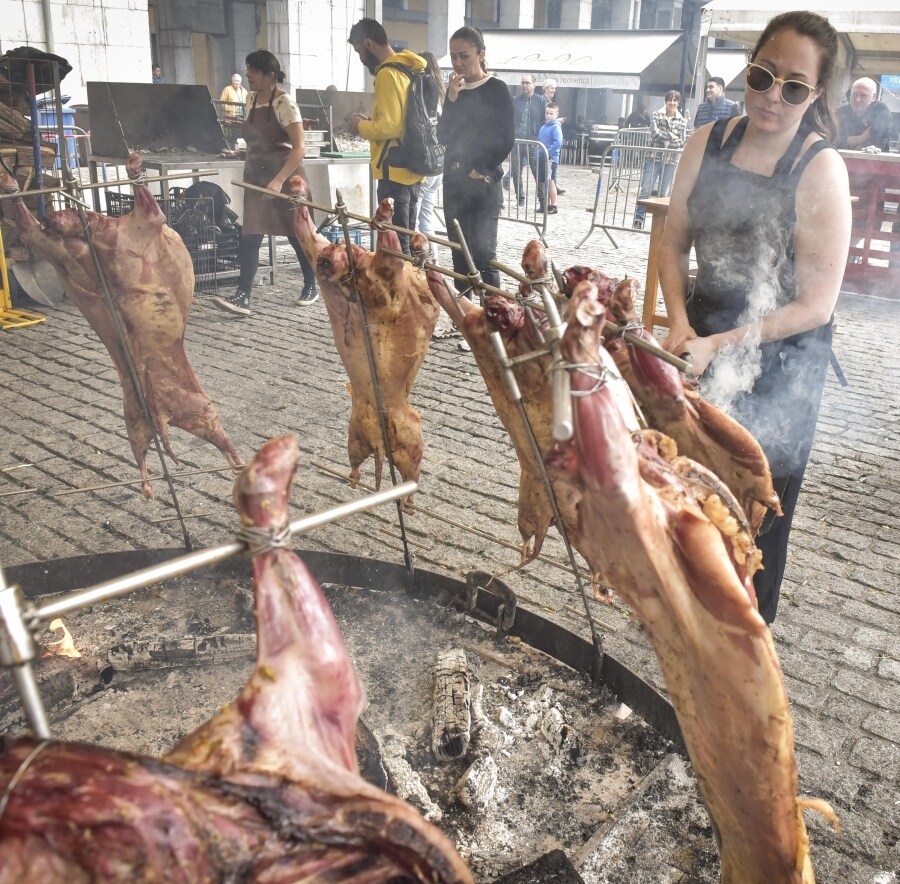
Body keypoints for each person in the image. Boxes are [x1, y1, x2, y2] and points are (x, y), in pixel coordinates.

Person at [658, 10, 850, 625]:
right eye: (763, 76)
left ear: (814, 95)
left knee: (753, 513)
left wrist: (720, 342)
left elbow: (816, 304)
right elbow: (673, 241)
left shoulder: (820, 168)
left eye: (794, 87)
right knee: (687, 487)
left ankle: (745, 636)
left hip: (782, 358)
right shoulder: (706, 142)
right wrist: (680, 321)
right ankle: (687, 621)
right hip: (703, 335)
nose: (773, 96)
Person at [211, 49, 318, 317]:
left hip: (286, 177)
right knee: (251, 235)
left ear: (270, 75)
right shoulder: (249, 98)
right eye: (247, 69)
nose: (248, 74)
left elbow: (299, 148)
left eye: (253, 71)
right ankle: (243, 296)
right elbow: (256, 138)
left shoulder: (285, 104)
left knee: (296, 234)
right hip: (257, 177)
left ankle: (311, 284)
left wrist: (279, 181)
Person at [437, 27, 514, 294]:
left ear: (481, 55)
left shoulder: (497, 89)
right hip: (454, 184)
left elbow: (506, 139)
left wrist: (479, 169)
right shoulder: (454, 90)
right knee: (459, 255)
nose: (458, 63)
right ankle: (467, 322)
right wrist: (452, 99)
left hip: (483, 184)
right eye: (453, 56)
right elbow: (442, 135)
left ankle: (494, 321)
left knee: (483, 255)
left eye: (464, 56)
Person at [346, 18, 426, 254]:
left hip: (395, 172)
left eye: (359, 50)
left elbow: (391, 126)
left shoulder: (387, 74)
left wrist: (360, 127)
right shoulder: (407, 69)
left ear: (369, 44)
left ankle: (400, 291)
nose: (361, 59)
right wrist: (370, 121)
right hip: (412, 169)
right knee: (407, 242)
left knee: (396, 249)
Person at [632, 90, 686, 228]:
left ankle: (659, 224)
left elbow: (682, 141)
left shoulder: (682, 120)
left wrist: (668, 139)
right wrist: (671, 136)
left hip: (671, 160)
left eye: (675, 100)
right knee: (646, 189)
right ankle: (639, 219)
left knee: (664, 193)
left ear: (678, 103)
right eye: (670, 100)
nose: (672, 103)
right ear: (666, 101)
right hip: (653, 157)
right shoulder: (656, 114)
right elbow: (654, 134)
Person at [504, 74, 547, 207]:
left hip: (534, 143)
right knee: (516, 172)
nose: (524, 85)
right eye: (523, 83)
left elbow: (545, 120)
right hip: (517, 142)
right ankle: (520, 200)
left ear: (534, 84)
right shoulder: (515, 100)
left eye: (527, 83)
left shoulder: (541, 101)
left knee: (537, 172)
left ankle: (542, 201)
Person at [416, 51, 445, 238]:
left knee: (415, 223)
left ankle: (423, 265)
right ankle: (435, 265)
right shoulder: (442, 94)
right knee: (426, 221)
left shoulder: (422, 93)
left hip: (425, 164)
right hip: (439, 163)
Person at [835, 77, 892, 151]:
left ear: (873, 97)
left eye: (863, 96)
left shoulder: (881, 110)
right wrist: (861, 138)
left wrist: (850, 141)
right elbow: (833, 140)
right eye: (854, 95)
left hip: (875, 160)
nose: (857, 100)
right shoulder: (841, 111)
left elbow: (879, 143)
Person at [537, 102, 563, 214]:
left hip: (551, 158)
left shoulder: (556, 127)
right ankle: (546, 205)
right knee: (545, 182)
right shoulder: (543, 127)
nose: (548, 115)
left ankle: (554, 206)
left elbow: (558, 142)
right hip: (542, 156)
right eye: (547, 113)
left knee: (551, 182)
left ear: (556, 114)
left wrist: (547, 152)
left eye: (551, 113)